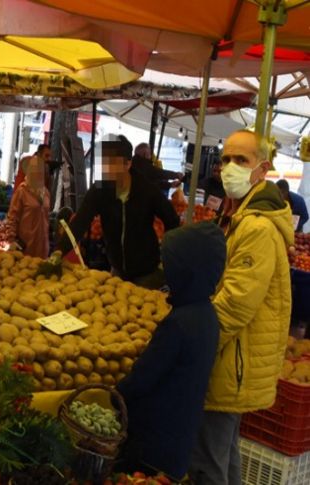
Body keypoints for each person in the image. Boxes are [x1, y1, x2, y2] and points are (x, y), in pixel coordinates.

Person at [188, 130, 293, 485]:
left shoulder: (258, 227)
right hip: (236, 356)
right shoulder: (243, 216)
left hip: (232, 357)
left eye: (241, 160)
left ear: (262, 170)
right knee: (224, 452)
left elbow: (236, 303)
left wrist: (196, 344)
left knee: (208, 461)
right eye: (226, 160)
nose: (230, 168)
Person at [116, 222, 226, 481]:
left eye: (171, 264)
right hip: (179, 439)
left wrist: (114, 394)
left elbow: (143, 377)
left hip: (153, 443)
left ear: (186, 271)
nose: (165, 270)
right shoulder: (208, 315)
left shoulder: (178, 324)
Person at [50, 138, 180, 288]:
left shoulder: (146, 190)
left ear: (128, 164)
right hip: (117, 269)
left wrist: (167, 259)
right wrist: (60, 250)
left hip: (147, 273)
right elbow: (81, 221)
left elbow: (172, 220)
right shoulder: (100, 189)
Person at [6, 154, 51, 258]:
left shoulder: (46, 193)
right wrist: (11, 240)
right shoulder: (21, 191)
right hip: (25, 248)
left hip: (42, 248)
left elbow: (46, 219)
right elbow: (12, 218)